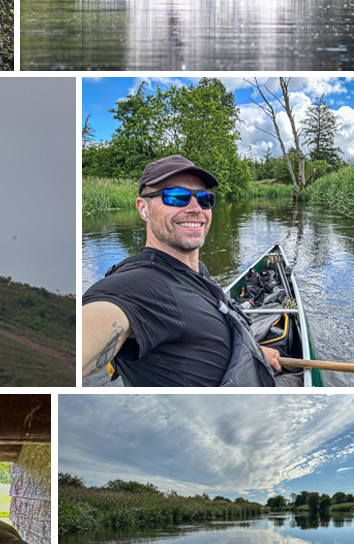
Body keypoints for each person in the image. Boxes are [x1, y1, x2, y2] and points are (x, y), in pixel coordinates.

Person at [82, 154, 282, 386]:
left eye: (205, 198)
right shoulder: (140, 286)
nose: (196, 208)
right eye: (176, 197)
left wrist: (256, 353)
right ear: (143, 208)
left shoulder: (196, 272)